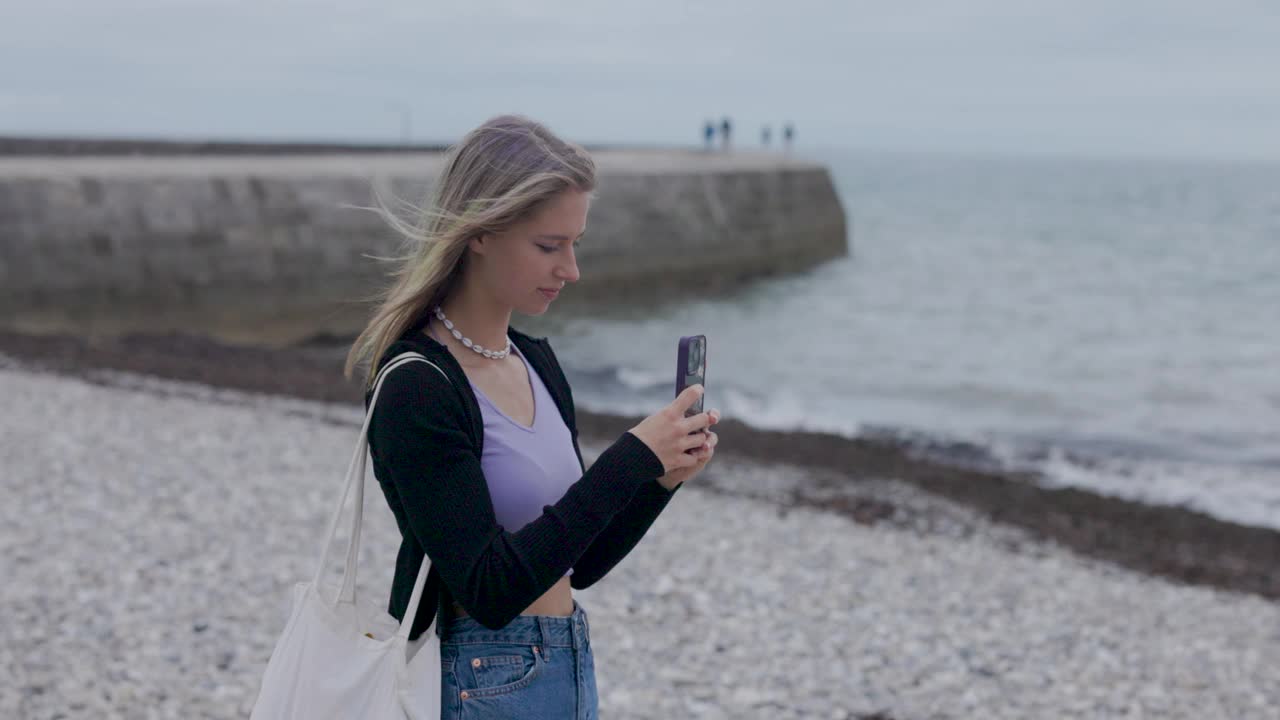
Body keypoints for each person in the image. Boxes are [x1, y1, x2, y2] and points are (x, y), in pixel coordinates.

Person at [343, 114, 721, 718]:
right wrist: (628, 460)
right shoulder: (417, 386)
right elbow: (489, 589)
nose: (570, 269)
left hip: (566, 664)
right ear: (481, 233)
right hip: (477, 679)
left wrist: (659, 480)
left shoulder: (537, 363)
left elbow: (581, 563)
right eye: (549, 246)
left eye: (575, 244)